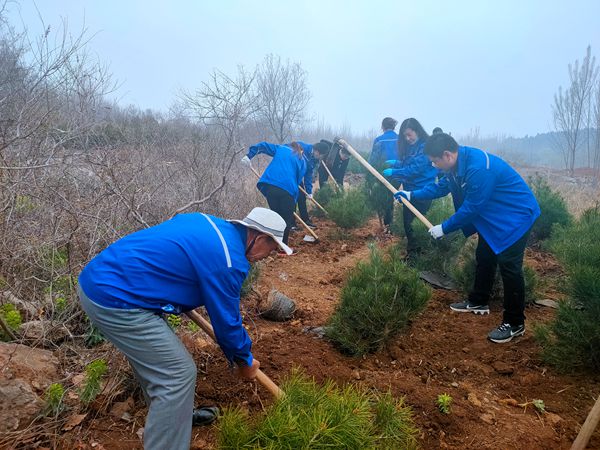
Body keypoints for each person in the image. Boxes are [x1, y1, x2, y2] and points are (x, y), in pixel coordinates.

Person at [78, 207, 291, 450]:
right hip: (116, 299)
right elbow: (227, 323)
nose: (269, 255)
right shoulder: (230, 260)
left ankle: (174, 418)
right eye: (272, 248)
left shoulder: (206, 222)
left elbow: (175, 246)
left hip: (104, 279)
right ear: (260, 238)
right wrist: (244, 360)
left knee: (163, 366)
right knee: (177, 373)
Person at [395, 133, 540, 343]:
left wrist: (444, 228)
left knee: (509, 267)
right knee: (485, 255)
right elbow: (442, 187)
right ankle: (479, 301)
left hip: (516, 216)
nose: (434, 166)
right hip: (495, 216)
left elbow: (472, 207)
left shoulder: (478, 168)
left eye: (435, 161)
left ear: (447, 155)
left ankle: (515, 323)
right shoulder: (456, 165)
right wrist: (412, 194)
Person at [382, 118, 438, 258]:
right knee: (409, 224)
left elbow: (415, 169)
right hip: (410, 191)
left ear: (417, 131)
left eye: (409, 134)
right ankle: (414, 254)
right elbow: (409, 163)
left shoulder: (426, 147)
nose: (407, 138)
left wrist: (395, 172)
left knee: (414, 225)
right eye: (405, 136)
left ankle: (415, 257)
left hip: (422, 191)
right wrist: (398, 163)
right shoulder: (413, 146)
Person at [241, 141, 306, 250]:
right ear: (300, 150)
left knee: (276, 217)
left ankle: (271, 246)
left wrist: (249, 156)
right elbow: (298, 179)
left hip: (270, 187)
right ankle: (283, 247)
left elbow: (263, 146)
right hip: (288, 189)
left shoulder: (281, 149)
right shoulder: (302, 159)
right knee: (285, 220)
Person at [368, 117, 399, 230]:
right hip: (399, 174)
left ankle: (387, 224)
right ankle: (389, 223)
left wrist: (370, 175)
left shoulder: (379, 140)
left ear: (382, 127)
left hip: (383, 174)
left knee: (385, 197)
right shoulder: (401, 139)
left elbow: (373, 159)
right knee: (390, 196)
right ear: (394, 126)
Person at [292, 141, 329, 229]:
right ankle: (291, 224)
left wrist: (309, 191)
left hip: (298, 178)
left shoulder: (314, 159)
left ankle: (306, 220)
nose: (320, 157)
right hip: (290, 176)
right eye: (321, 155)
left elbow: (308, 174)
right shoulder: (302, 147)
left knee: (302, 198)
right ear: (317, 151)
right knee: (293, 198)